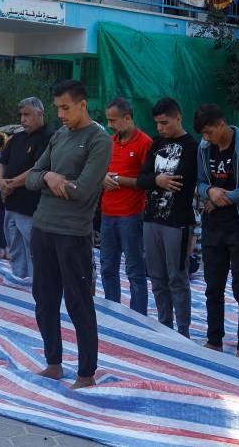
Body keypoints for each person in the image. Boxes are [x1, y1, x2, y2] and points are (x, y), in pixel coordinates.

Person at [25, 80, 111, 389]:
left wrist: (56, 182)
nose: (60, 114)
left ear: (82, 104)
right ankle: (54, 363)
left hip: (73, 234)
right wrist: (49, 176)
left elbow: (83, 189)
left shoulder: (99, 140)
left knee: (78, 302)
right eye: (57, 108)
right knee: (44, 300)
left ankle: (86, 373)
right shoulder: (60, 135)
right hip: (43, 228)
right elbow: (32, 177)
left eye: (66, 108)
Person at [193, 104, 239, 355]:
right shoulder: (204, 147)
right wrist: (210, 191)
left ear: (222, 124)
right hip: (213, 225)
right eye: (204, 134)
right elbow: (199, 183)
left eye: (210, 132)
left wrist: (226, 196)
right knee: (213, 286)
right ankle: (214, 339)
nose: (206, 138)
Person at [136, 98, 198, 337]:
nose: (160, 128)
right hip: (151, 219)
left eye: (165, 122)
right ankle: (164, 325)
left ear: (178, 117)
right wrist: (157, 181)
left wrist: (157, 180)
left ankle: (183, 331)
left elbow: (186, 182)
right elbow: (142, 179)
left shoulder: (192, 146)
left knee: (177, 277)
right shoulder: (156, 143)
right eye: (157, 123)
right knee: (157, 276)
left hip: (177, 222)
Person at [100, 97, 153, 315]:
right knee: (107, 267)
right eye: (108, 120)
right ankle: (112, 312)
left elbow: (148, 181)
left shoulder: (145, 143)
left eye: (113, 120)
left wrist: (120, 180)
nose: (109, 125)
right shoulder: (109, 142)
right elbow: (99, 170)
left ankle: (138, 317)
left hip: (131, 215)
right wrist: (103, 177)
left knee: (134, 270)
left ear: (128, 118)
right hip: (107, 213)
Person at [0, 97, 52, 279]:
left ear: (40, 114)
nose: (22, 119)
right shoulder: (17, 138)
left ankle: (35, 286)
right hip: (11, 205)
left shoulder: (48, 138)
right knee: (15, 247)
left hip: (31, 207)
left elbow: (38, 169)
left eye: (27, 115)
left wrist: (10, 184)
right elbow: (1, 164)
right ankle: (19, 281)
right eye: (21, 115)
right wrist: (1, 183)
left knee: (33, 250)